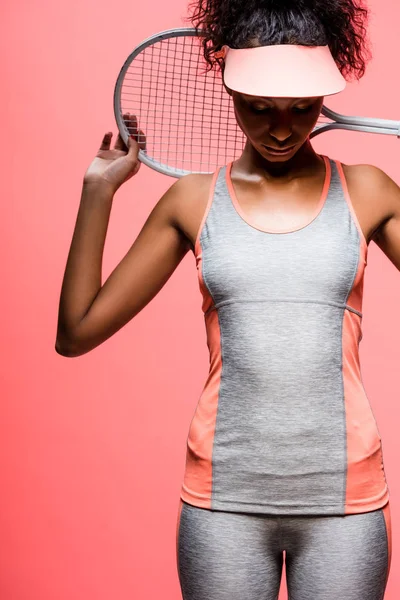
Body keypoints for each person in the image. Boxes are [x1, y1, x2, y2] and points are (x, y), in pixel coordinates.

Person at [56, 0, 400, 597]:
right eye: (259, 108)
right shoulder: (193, 201)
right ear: (231, 92)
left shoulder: (367, 190)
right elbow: (76, 331)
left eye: (301, 109)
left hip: (347, 502)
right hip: (224, 505)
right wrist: (98, 192)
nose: (282, 128)